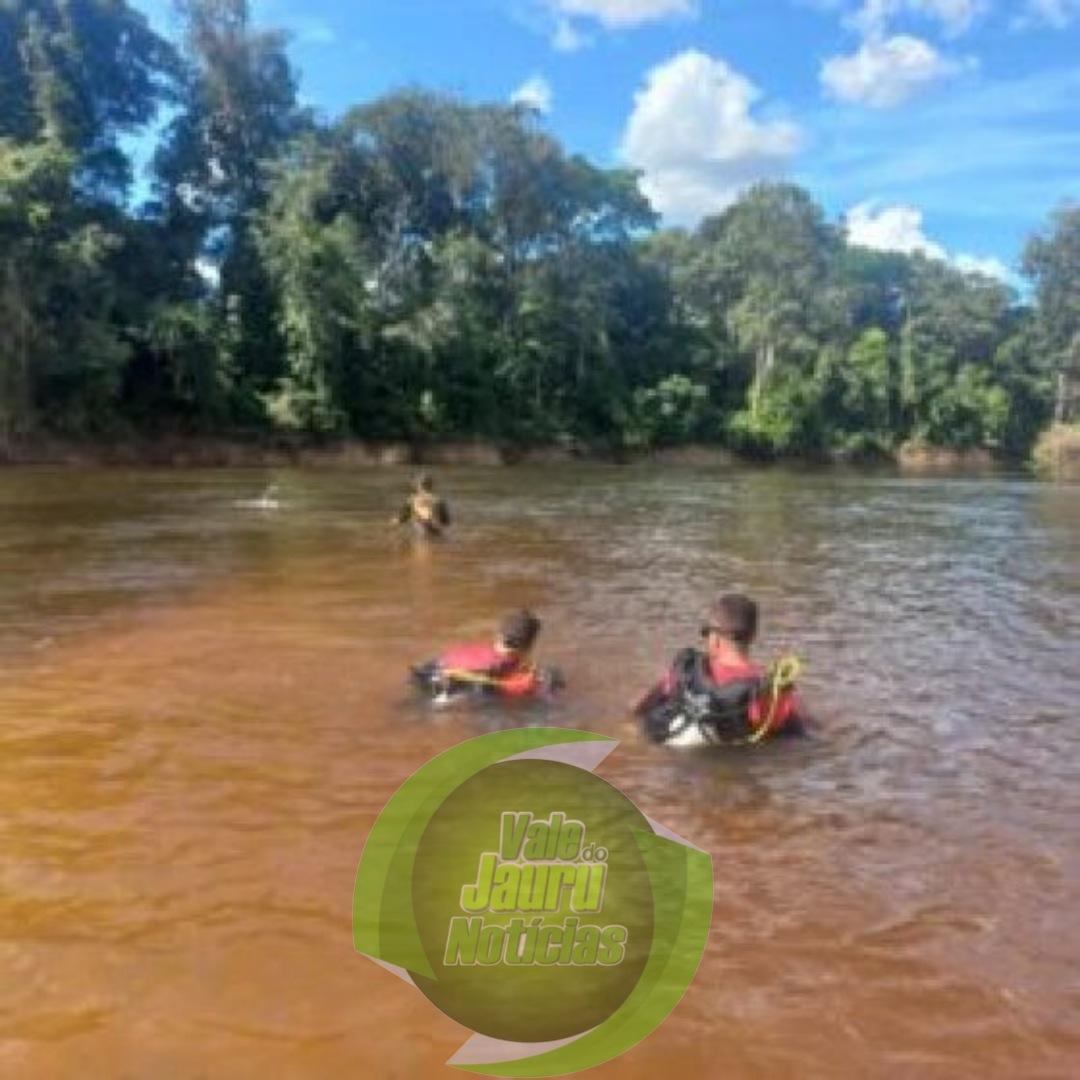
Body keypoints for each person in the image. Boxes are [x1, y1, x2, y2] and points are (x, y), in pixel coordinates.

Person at [634, 593, 806, 747]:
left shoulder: (686, 670)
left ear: (714, 637)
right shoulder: (769, 692)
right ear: (752, 637)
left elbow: (639, 710)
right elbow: (800, 738)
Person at [411, 609, 561, 702]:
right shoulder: (509, 669)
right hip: (455, 688)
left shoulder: (474, 651)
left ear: (498, 636)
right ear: (529, 646)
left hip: (429, 673)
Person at [393, 473, 451, 538]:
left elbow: (401, 519)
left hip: (421, 530)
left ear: (418, 486)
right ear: (431, 486)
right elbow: (447, 522)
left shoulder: (412, 500)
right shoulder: (439, 500)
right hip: (437, 531)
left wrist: (389, 526)